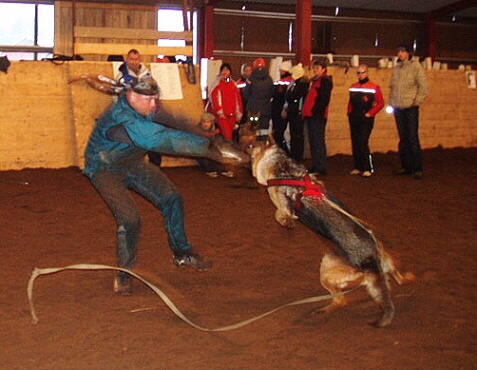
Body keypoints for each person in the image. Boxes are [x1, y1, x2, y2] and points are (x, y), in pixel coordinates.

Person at [84, 76, 217, 296]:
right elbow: (161, 139)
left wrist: (206, 138)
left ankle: (182, 253)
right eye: (150, 100)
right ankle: (123, 273)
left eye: (156, 99)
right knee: (129, 219)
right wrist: (209, 147)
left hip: (132, 163)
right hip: (104, 167)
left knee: (172, 198)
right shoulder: (121, 118)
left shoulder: (145, 106)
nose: (154, 105)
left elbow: (171, 120)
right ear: (132, 96)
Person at [114, 49, 162, 167]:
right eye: (131, 59)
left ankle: (155, 170)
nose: (134, 62)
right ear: (127, 60)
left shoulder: (148, 75)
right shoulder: (121, 77)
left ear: (139, 60)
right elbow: (117, 95)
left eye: (136, 59)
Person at [389, 45, 428, 180]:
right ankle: (406, 166)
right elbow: (392, 86)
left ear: (407, 53)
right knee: (403, 138)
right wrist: (392, 100)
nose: (399, 54)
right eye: (398, 52)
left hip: (410, 106)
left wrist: (416, 101)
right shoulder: (397, 68)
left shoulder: (416, 67)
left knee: (412, 137)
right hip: (398, 106)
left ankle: (417, 168)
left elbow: (423, 86)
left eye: (401, 52)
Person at [347, 64, 384, 178]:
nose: (361, 75)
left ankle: (367, 167)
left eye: (363, 72)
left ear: (367, 73)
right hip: (354, 117)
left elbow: (380, 103)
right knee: (355, 142)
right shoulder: (353, 86)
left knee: (363, 142)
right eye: (358, 73)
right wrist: (349, 113)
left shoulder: (374, 87)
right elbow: (350, 102)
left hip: (366, 118)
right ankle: (358, 167)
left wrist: (370, 113)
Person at [301, 59, 333, 175]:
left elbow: (323, 99)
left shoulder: (324, 81)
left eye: (317, 68)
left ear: (323, 69)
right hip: (312, 115)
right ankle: (316, 164)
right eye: (314, 68)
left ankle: (321, 166)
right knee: (313, 141)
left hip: (317, 116)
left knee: (318, 141)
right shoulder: (315, 81)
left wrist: (314, 111)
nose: (315, 70)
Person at [208, 63, 243, 141]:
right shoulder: (216, 83)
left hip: (232, 114)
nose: (225, 72)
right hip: (221, 115)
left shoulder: (233, 84)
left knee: (230, 133)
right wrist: (219, 112)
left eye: (227, 70)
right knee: (227, 135)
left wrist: (239, 113)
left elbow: (238, 99)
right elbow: (213, 98)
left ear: (230, 72)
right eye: (223, 70)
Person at [244, 57, 275, 141]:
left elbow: (246, 94)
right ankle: (263, 146)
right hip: (266, 109)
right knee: (264, 130)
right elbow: (272, 93)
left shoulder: (250, 79)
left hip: (253, 110)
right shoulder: (269, 79)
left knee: (252, 131)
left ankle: (254, 150)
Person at [195, 112, 234, 178]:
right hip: (199, 150)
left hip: (210, 147)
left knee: (217, 156)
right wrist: (214, 133)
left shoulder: (213, 129)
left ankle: (223, 170)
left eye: (208, 122)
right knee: (206, 159)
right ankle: (210, 170)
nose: (206, 124)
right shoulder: (197, 129)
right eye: (204, 122)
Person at [284, 63, 308, 161]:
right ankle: (294, 153)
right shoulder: (295, 83)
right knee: (293, 134)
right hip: (293, 112)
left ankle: (298, 155)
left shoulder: (302, 85)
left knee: (298, 134)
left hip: (298, 112)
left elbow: (293, 96)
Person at [271, 60, 293, 153]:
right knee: (278, 133)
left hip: (279, 111)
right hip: (277, 111)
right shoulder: (285, 81)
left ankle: (283, 152)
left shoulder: (286, 82)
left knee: (278, 134)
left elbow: (280, 96)